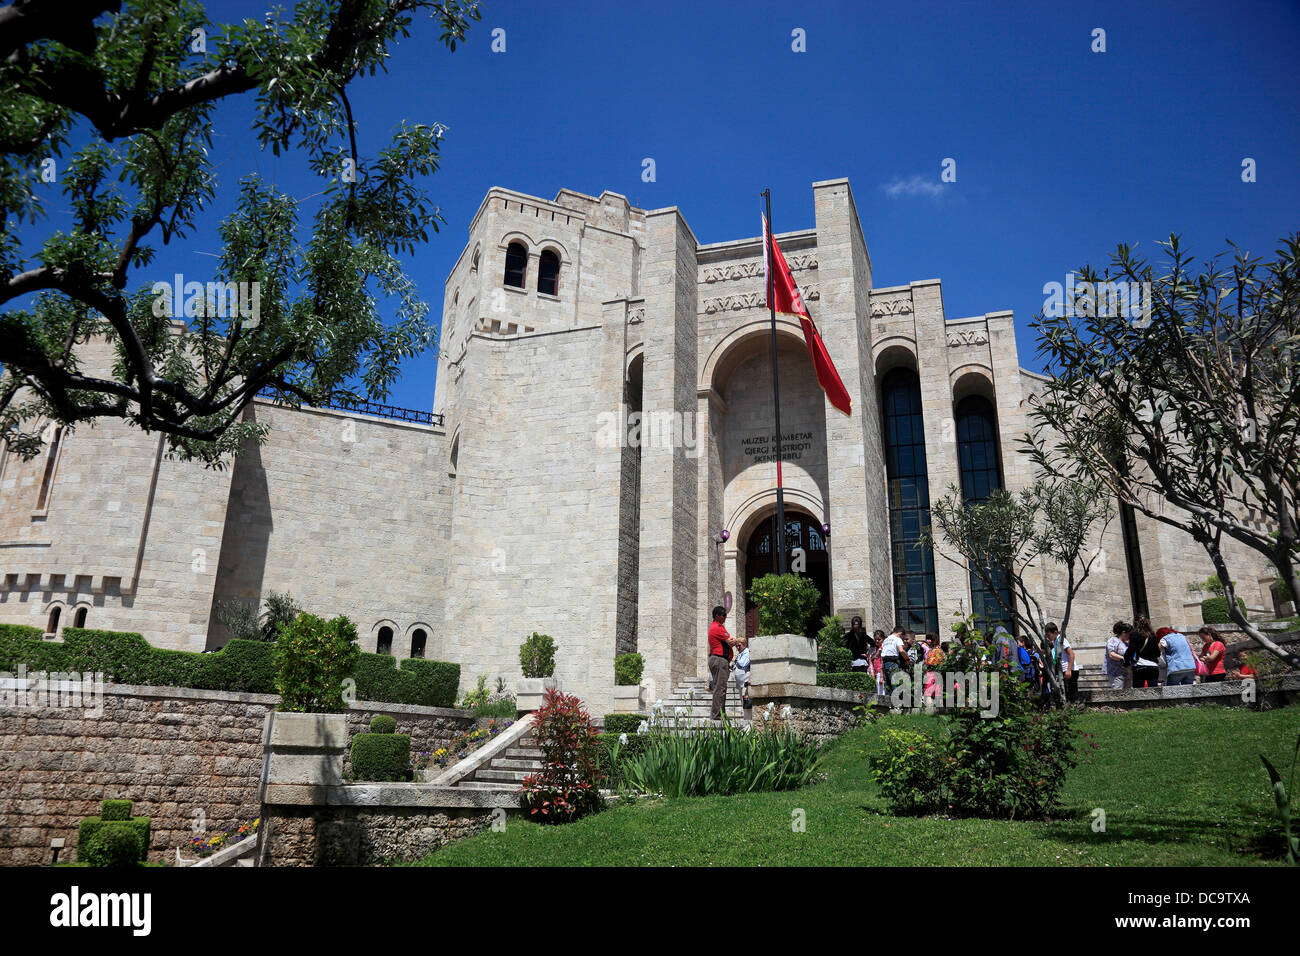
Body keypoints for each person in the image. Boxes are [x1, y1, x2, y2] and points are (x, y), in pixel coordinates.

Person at [707, 605, 735, 719]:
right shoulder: (717, 627)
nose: (725, 618)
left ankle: (720, 714)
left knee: (720, 687)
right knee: (720, 688)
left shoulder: (716, 626)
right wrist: (740, 640)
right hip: (719, 660)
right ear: (717, 616)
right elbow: (730, 642)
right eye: (723, 615)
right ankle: (717, 716)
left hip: (718, 660)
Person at [1126, 615, 1161, 688]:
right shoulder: (1153, 635)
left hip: (1140, 666)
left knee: (1139, 692)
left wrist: (1126, 662)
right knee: (1154, 691)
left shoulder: (1134, 634)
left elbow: (1130, 650)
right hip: (1153, 666)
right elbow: (1157, 653)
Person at [1046, 622, 1077, 703]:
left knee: (1071, 693)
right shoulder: (1055, 641)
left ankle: (1074, 708)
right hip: (1062, 670)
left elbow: (1071, 654)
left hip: (1070, 670)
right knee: (1066, 692)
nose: (1048, 637)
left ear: (1055, 632)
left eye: (1049, 635)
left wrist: (1069, 670)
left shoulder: (1061, 640)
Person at [1105, 621, 1131, 690]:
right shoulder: (1113, 641)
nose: (1130, 636)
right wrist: (1124, 658)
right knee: (1118, 694)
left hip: (1126, 673)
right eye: (1129, 634)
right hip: (1116, 674)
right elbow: (1112, 654)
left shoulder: (1126, 643)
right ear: (1123, 632)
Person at [880, 626, 906, 693]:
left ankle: (887, 702)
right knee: (895, 685)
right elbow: (901, 651)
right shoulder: (897, 639)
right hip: (893, 663)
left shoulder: (886, 640)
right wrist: (908, 659)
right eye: (902, 637)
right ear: (900, 634)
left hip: (885, 663)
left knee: (888, 686)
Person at [731, 635, 752, 708]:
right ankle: (746, 717)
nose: (737, 648)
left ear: (744, 644)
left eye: (739, 645)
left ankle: (748, 718)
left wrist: (735, 660)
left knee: (746, 701)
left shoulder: (747, 653)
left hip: (745, 681)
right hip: (740, 682)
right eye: (736, 646)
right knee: (743, 702)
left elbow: (743, 664)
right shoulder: (740, 654)